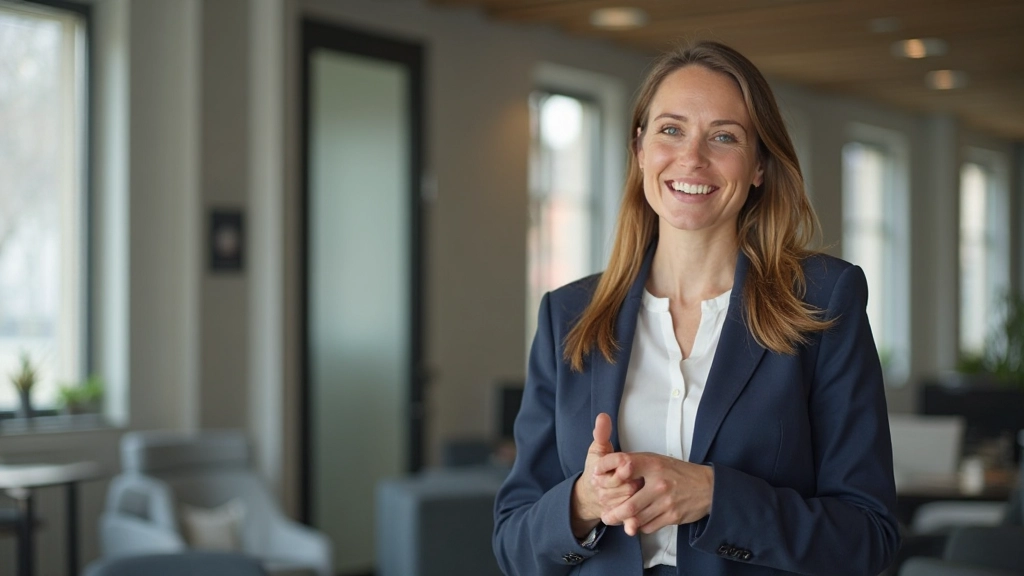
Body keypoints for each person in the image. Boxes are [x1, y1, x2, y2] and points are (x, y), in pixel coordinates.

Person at [492, 41, 900, 576]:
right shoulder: (567, 314)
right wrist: (584, 503)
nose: (692, 158)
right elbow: (513, 548)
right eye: (671, 130)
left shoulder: (824, 300)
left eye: (724, 137)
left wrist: (715, 496)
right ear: (639, 149)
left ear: (758, 165)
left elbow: (867, 538)